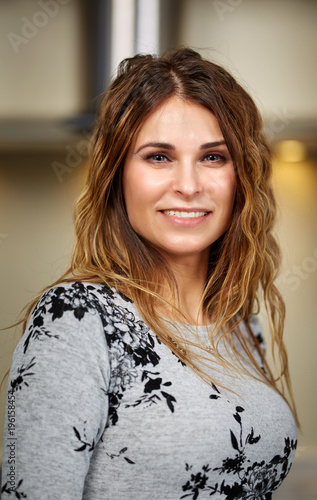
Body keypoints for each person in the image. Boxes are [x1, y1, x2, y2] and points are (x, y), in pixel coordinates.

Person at [1, 47, 298, 499]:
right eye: (158, 156)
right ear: (117, 173)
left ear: (241, 174)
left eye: (213, 157)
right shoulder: (76, 321)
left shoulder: (239, 322)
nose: (189, 184)